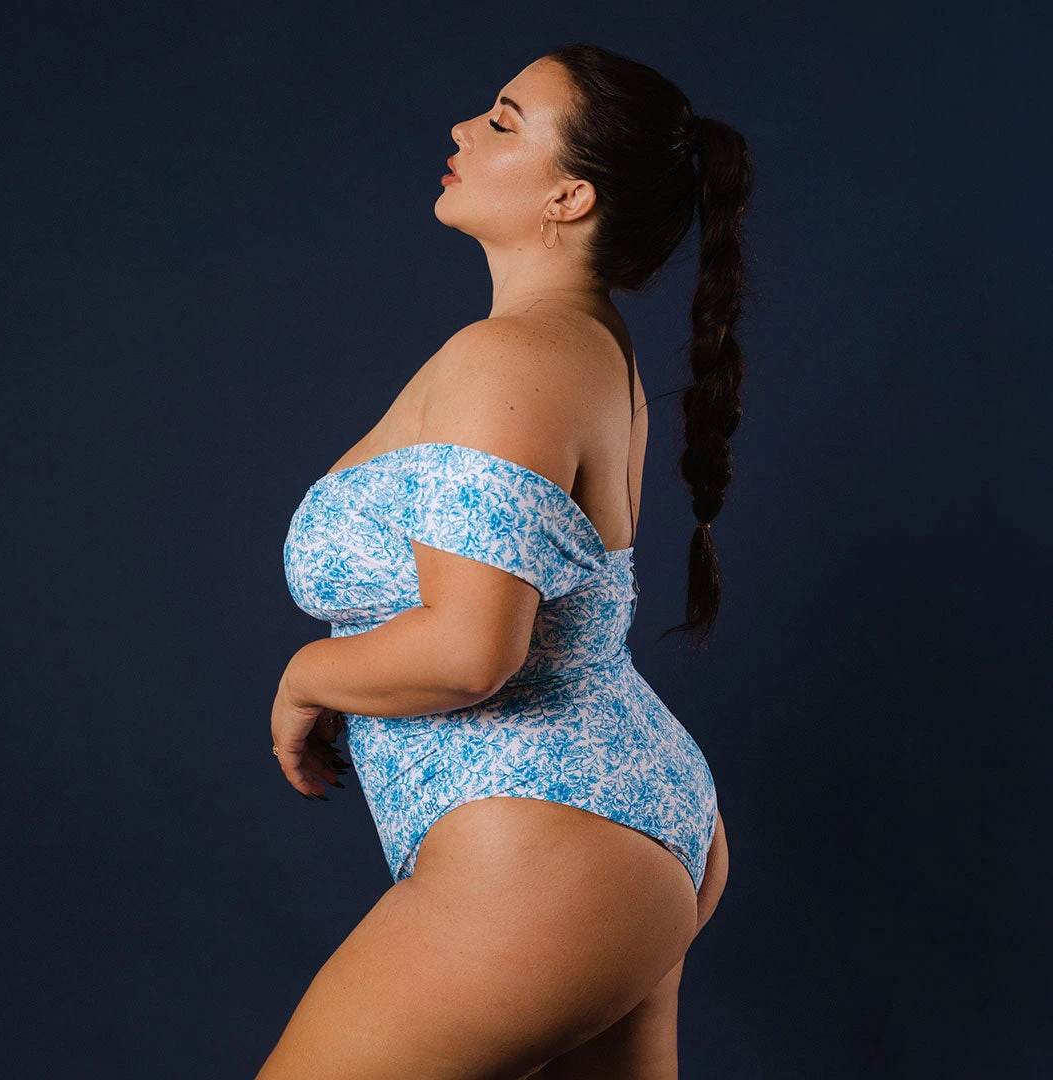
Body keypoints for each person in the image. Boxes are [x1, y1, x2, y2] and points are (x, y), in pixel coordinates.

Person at [260, 42, 753, 1080]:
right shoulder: (581, 345)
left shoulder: (508, 361)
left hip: (547, 844)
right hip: (615, 824)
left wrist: (307, 677)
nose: (461, 130)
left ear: (570, 197)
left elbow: (470, 651)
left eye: (501, 120)